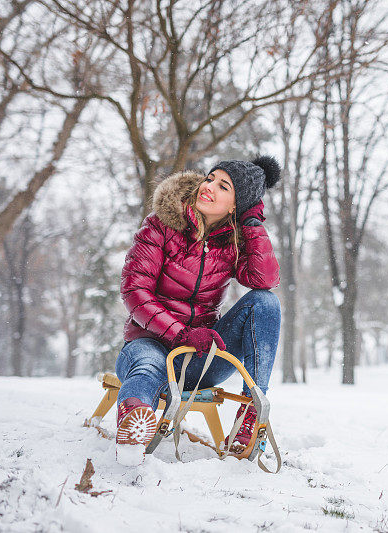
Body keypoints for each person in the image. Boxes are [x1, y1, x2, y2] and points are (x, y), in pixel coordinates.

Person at [114, 156, 282, 465]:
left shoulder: (233, 242)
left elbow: (265, 280)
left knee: (265, 302)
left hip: (201, 359)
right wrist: (180, 332)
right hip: (149, 345)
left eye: (223, 186)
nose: (209, 187)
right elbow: (134, 292)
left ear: (236, 205)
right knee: (149, 368)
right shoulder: (160, 225)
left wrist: (253, 225)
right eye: (210, 178)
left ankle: (251, 410)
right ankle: (133, 422)